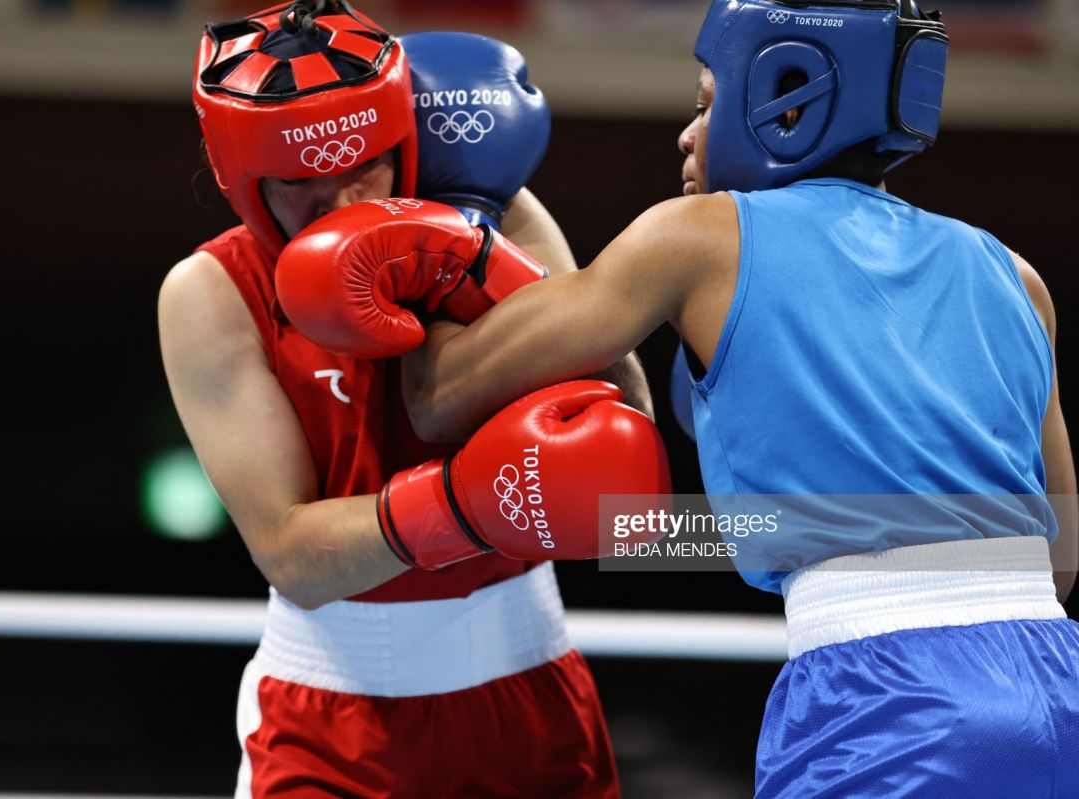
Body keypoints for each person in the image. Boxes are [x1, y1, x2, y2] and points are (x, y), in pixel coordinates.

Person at [272, 0, 1079, 794]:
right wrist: (790, 536)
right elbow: (1058, 550)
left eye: (704, 102)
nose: (687, 134)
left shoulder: (696, 234)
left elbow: (442, 397)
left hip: (889, 696)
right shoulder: (1016, 276)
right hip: (1056, 677)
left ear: (786, 97)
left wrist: (463, 218)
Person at [158, 1, 670, 796]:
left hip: (529, 699)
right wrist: (465, 502)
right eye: (297, 180)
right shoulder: (214, 292)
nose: (335, 202)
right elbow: (293, 556)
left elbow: (622, 455)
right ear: (242, 181)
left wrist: (477, 265)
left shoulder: (497, 217)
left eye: (361, 164)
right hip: (330, 724)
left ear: (402, 138)